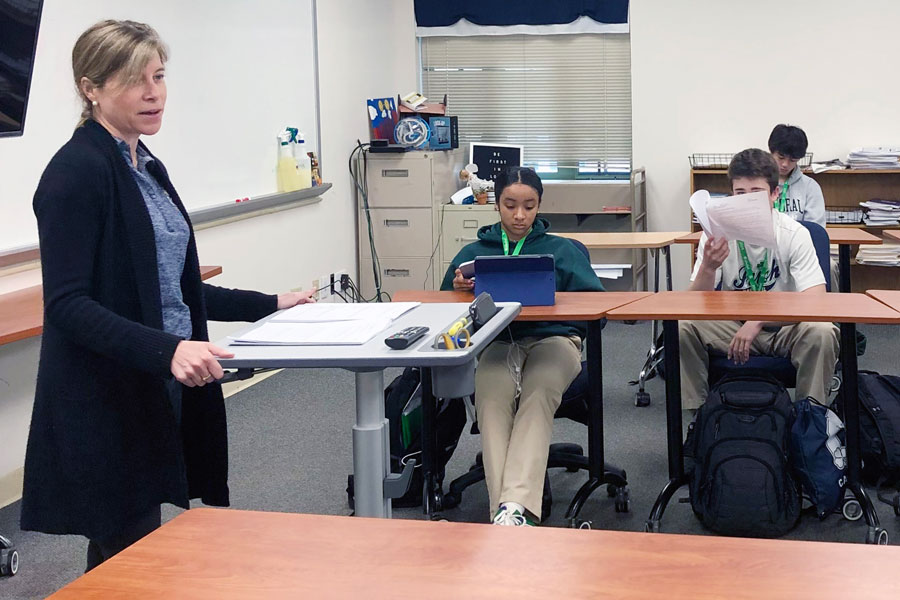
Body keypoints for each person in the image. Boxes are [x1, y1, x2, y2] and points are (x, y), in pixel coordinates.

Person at [20, 20, 315, 571]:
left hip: (160, 381)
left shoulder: (145, 166)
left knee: (126, 545)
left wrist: (269, 302)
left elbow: (173, 288)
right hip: (110, 392)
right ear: (92, 89)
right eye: (135, 80)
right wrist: (169, 350)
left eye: (158, 76)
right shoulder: (75, 173)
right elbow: (66, 305)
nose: (154, 93)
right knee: (131, 549)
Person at [441, 166, 604, 527]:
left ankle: (514, 506)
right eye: (510, 205)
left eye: (529, 206)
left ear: (539, 205)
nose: (519, 215)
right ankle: (510, 512)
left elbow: (597, 309)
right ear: (496, 205)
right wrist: (459, 292)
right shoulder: (473, 254)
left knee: (538, 391)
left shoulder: (561, 250)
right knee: (491, 400)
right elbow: (443, 313)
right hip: (498, 343)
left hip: (555, 340)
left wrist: (560, 308)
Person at [680, 148, 839, 410]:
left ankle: (810, 420)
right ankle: (698, 418)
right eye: (740, 194)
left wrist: (759, 319)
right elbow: (695, 303)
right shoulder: (716, 233)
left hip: (784, 330)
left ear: (775, 194)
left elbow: (816, 300)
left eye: (756, 194)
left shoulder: (793, 233)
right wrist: (708, 266)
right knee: (682, 325)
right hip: (731, 328)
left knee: (823, 331)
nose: (746, 201)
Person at [767, 124, 826, 228]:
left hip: (799, 243)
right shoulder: (760, 184)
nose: (785, 164)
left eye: (792, 160)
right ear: (771, 152)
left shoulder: (810, 187)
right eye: (781, 158)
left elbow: (816, 229)